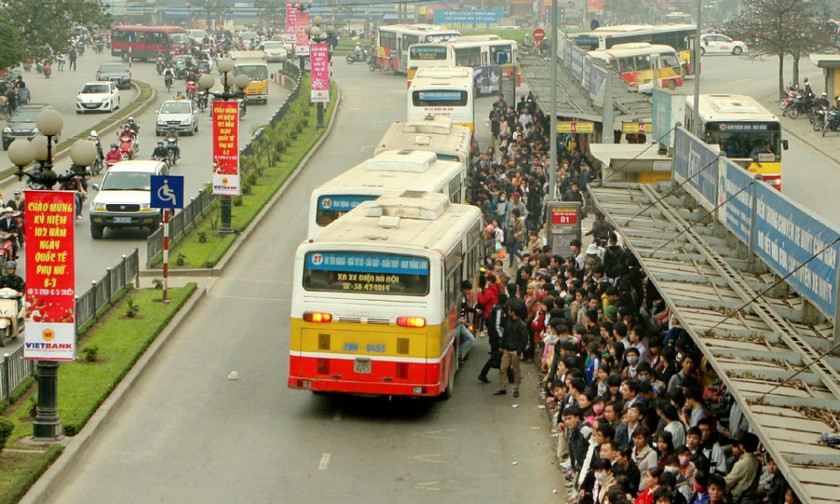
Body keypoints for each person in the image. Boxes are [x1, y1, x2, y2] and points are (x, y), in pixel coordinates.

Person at [493, 297, 528, 397]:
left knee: (516, 371)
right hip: (507, 350)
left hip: (515, 351)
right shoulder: (508, 321)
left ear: (513, 312)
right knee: (502, 369)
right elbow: (505, 335)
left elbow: (524, 340)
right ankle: (502, 387)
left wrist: (519, 351)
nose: (508, 312)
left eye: (510, 310)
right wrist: (502, 345)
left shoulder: (521, 325)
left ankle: (516, 388)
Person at [724, 432, 761, 503]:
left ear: (742, 446)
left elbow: (728, 482)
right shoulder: (758, 462)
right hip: (751, 498)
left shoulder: (741, 464)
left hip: (738, 499)